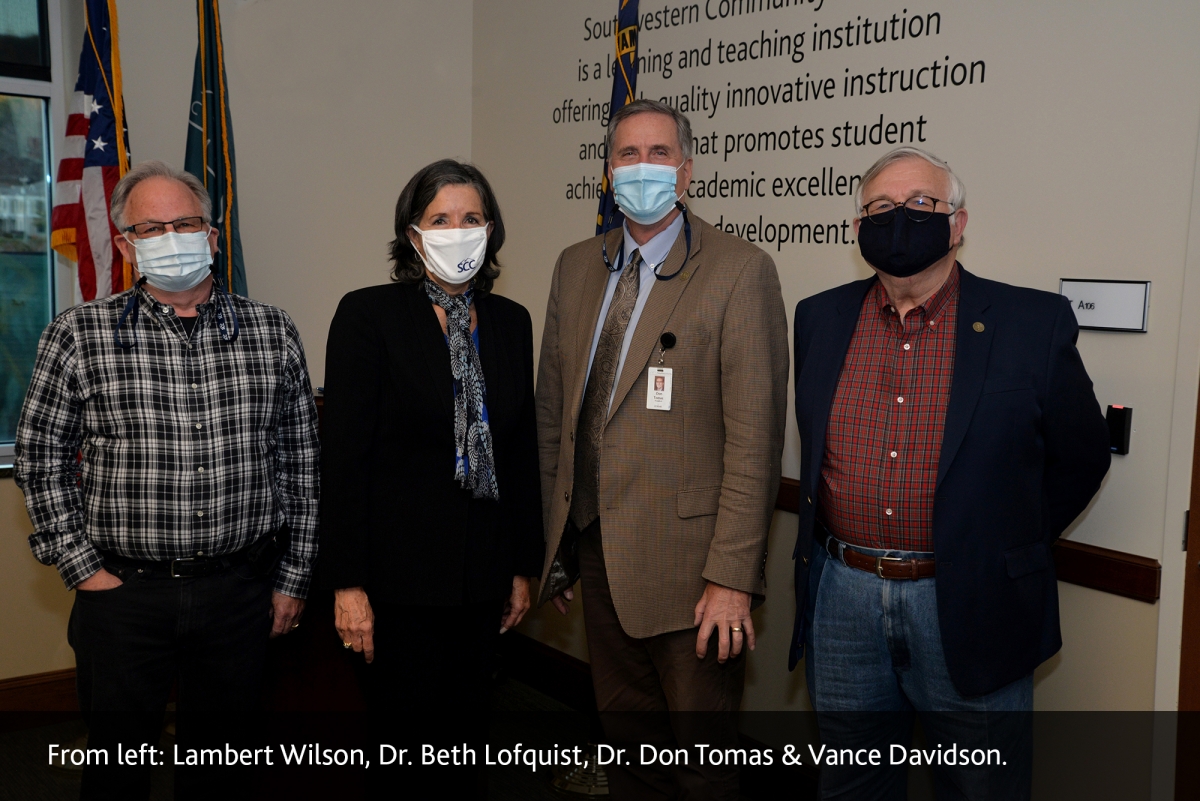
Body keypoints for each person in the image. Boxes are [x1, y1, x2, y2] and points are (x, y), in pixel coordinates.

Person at [789, 146, 1111, 799]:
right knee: (849, 783)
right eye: (880, 207)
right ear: (857, 229)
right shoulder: (819, 317)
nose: (899, 218)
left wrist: (1000, 545)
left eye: (920, 205)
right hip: (842, 595)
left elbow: (1082, 456)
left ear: (958, 224)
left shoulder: (1030, 323)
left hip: (970, 599)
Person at [15, 160, 318, 799]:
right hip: (122, 596)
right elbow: (39, 459)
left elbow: (300, 465)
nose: (171, 237)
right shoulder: (78, 335)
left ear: (212, 235)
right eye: (151, 227)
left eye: (185, 223)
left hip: (239, 594)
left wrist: (292, 579)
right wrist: (84, 571)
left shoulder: (271, 331)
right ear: (125, 244)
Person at [536, 99, 789, 799]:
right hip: (597, 552)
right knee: (631, 757)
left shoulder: (739, 270)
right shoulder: (576, 265)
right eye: (626, 155)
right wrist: (555, 547)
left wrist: (732, 577)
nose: (641, 167)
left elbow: (755, 438)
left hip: (693, 576)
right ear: (606, 172)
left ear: (685, 172)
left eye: (658, 153)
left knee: (704, 770)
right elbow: (556, 413)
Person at [319, 160, 543, 721]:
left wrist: (522, 566)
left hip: (483, 583)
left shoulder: (510, 322)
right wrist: (348, 585)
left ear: (490, 231)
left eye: (471, 217)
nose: (457, 229)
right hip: (395, 589)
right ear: (413, 234)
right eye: (439, 219)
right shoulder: (367, 315)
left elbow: (518, 452)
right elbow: (344, 461)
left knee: (464, 746)